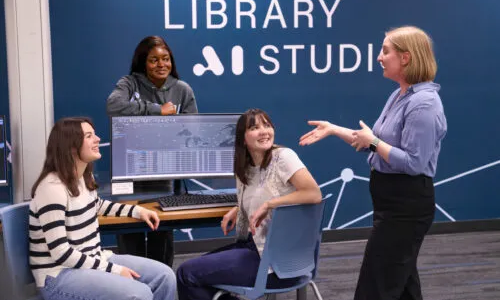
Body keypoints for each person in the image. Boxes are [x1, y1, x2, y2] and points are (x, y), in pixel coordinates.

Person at [299, 26, 447, 300]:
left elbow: (413, 162)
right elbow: (370, 141)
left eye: (385, 51)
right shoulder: (400, 95)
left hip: (406, 208)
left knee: (375, 287)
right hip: (391, 203)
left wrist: (375, 143)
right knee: (401, 285)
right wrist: (333, 129)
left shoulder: (424, 104)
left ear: (405, 58)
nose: (379, 57)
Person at [176, 108, 322, 300]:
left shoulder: (283, 157)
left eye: (267, 125)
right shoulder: (244, 168)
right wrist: (240, 208)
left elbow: (313, 193)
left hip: (275, 263)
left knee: (187, 274)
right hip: (264, 252)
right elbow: (267, 191)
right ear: (243, 139)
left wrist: (269, 204)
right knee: (193, 271)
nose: (264, 131)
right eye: (254, 127)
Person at [29, 117, 176, 300]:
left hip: (93, 258)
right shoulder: (52, 188)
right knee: (139, 293)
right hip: (59, 275)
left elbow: (97, 205)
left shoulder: (82, 177)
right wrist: (114, 270)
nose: (98, 139)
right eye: (89, 136)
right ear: (71, 146)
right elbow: (61, 253)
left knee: (165, 276)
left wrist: (138, 211)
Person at [106, 35, 198, 266]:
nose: (161, 65)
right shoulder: (129, 83)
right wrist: (157, 111)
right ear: (143, 62)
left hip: (165, 170)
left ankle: (162, 283)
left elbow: (192, 129)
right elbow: (113, 106)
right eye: (154, 60)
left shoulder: (182, 89)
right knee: (129, 228)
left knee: (161, 231)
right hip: (128, 168)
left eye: (165, 59)